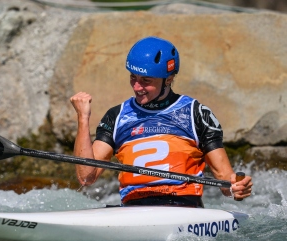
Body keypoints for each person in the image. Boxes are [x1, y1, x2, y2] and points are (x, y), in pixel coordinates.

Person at [70, 36, 252, 207]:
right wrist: (83, 119)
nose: (136, 86)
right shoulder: (116, 116)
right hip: (133, 211)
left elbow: (224, 177)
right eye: (133, 77)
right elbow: (86, 177)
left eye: (145, 80)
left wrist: (235, 186)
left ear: (169, 79)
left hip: (183, 208)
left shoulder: (196, 114)